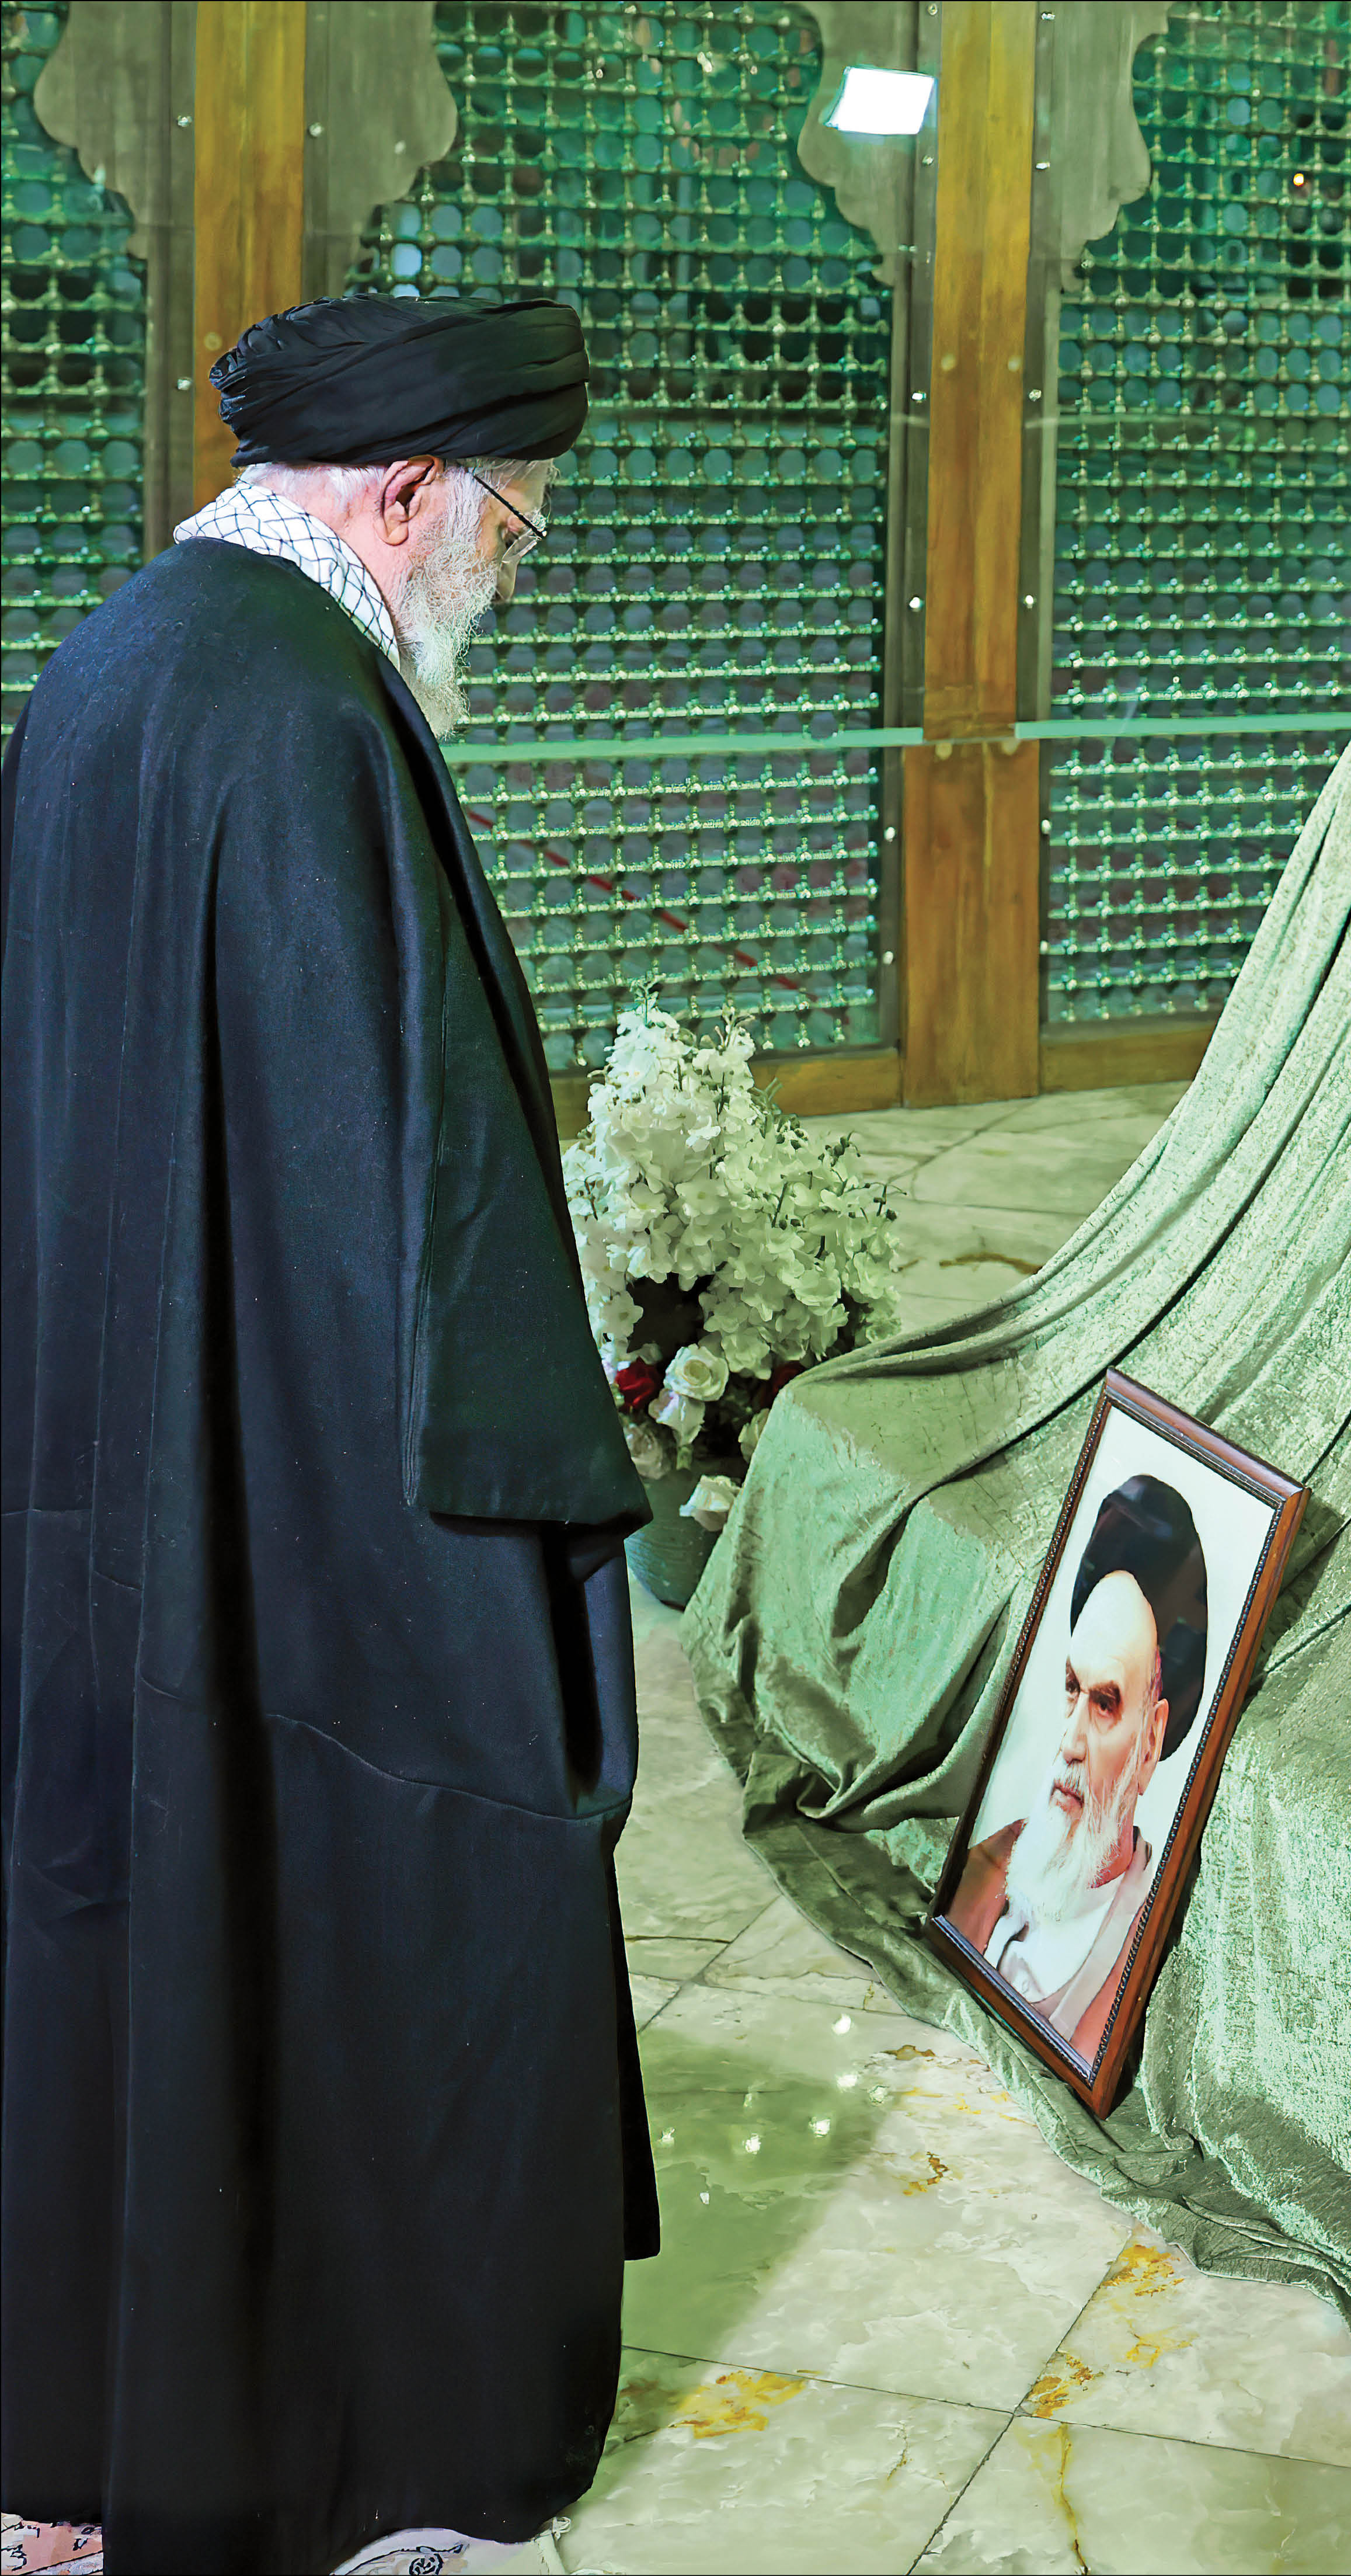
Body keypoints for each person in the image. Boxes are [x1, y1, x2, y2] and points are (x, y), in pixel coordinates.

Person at [1, 297, 657, 2576]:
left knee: (131, 1926)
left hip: (114, 1445)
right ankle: (359, 2436)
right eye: (513, 529)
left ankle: (98, 2425)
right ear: (402, 493)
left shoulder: (122, 658)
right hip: (292, 1491)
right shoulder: (299, 715)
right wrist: (517, 1519)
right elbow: (394, 1197)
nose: (509, 575)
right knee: (409, 1868)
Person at [950, 1476, 1209, 2058]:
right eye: (1073, 1687)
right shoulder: (992, 1858)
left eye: (1105, 1703)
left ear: (1149, 1743)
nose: (1069, 1742)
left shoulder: (1141, 1945)